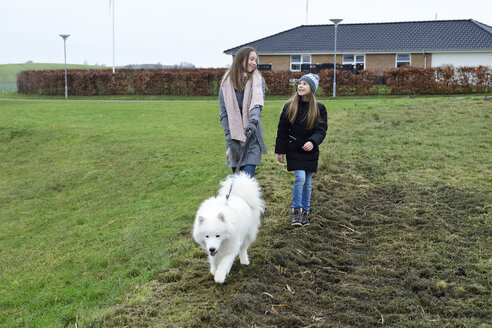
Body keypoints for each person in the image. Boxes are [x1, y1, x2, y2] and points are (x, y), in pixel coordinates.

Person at [275, 73, 328, 226]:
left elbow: (322, 129)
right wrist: (280, 151)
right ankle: (295, 211)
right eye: (300, 83)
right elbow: (282, 130)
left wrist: (313, 142)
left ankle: (305, 212)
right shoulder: (289, 106)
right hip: (294, 148)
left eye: (305, 84)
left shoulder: (320, 108)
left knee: (308, 182)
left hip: (310, 151)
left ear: (312, 88)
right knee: (301, 178)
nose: (301, 86)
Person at [219, 46, 267, 178]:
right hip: (235, 138)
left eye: (255, 60)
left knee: (247, 178)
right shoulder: (225, 83)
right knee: (236, 181)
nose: (254, 63)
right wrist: (231, 140)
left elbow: (257, 106)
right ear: (241, 59)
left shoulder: (258, 81)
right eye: (251, 59)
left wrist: (253, 121)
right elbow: (224, 114)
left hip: (252, 135)